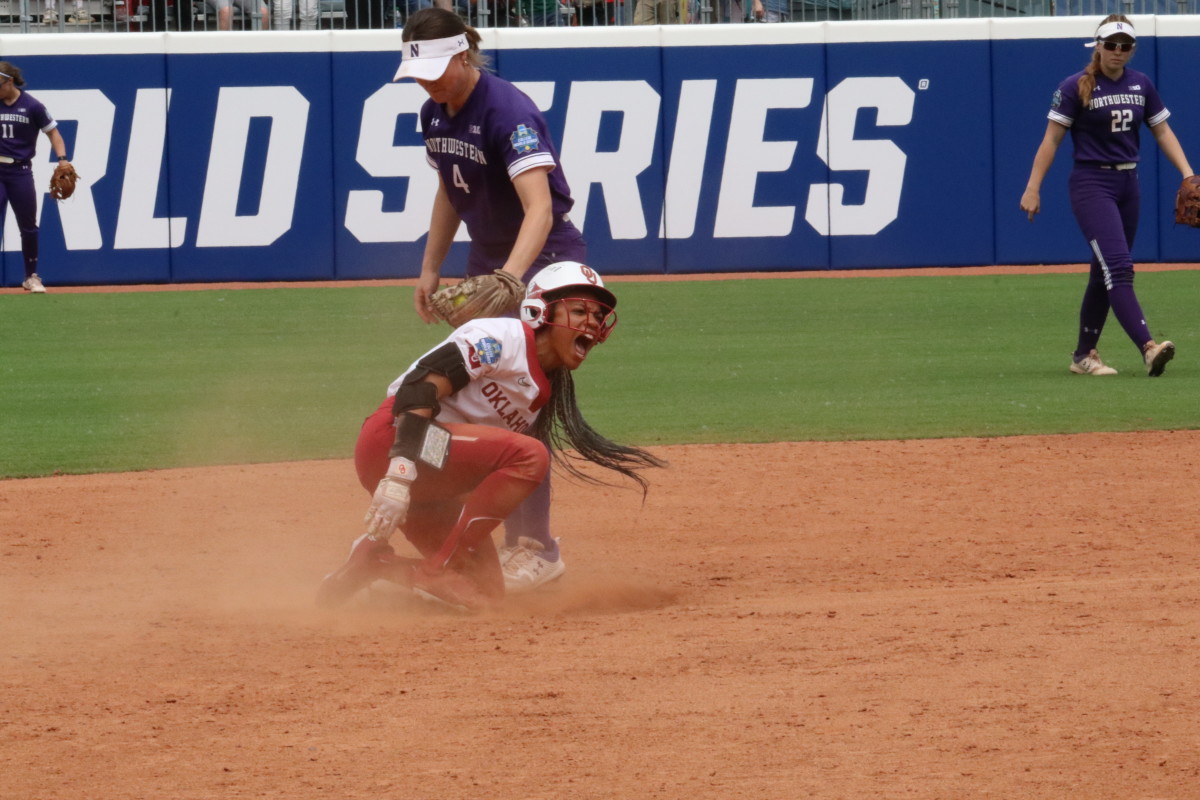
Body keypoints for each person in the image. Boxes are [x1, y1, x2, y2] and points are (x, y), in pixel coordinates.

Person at [316, 262, 664, 612]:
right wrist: (400, 471)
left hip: (431, 483)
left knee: (483, 594)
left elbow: (475, 468)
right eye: (579, 310)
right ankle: (435, 571)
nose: (592, 321)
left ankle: (376, 564)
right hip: (392, 440)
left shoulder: (539, 391)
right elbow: (418, 387)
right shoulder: (501, 338)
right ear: (539, 310)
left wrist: (445, 518)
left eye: (598, 315)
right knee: (531, 455)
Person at [392, 7, 589, 590]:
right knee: (472, 407)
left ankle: (536, 549)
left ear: (462, 54)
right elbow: (450, 192)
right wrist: (430, 267)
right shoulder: (435, 114)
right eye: (419, 71)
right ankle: (471, 536)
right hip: (493, 269)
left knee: (518, 414)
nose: (427, 81)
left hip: (547, 268)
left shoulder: (508, 110)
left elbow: (540, 208)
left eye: (435, 68)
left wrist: (512, 278)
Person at [1020, 15, 1193, 378]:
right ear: (1097, 46)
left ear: (1133, 49)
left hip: (1128, 184)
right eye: (1111, 44)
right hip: (1091, 184)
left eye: (1125, 45)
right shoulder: (1074, 86)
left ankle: (1084, 355)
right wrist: (1033, 186)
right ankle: (1148, 348)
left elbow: (1162, 131)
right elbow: (1051, 140)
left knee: (1104, 273)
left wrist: (1189, 173)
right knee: (1119, 267)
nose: (1117, 51)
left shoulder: (1140, 84)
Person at [0, 62, 71, 296]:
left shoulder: (32, 106)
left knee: (28, 227)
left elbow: (53, 132)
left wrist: (62, 159)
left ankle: (31, 276)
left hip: (20, 171)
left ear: (9, 82)